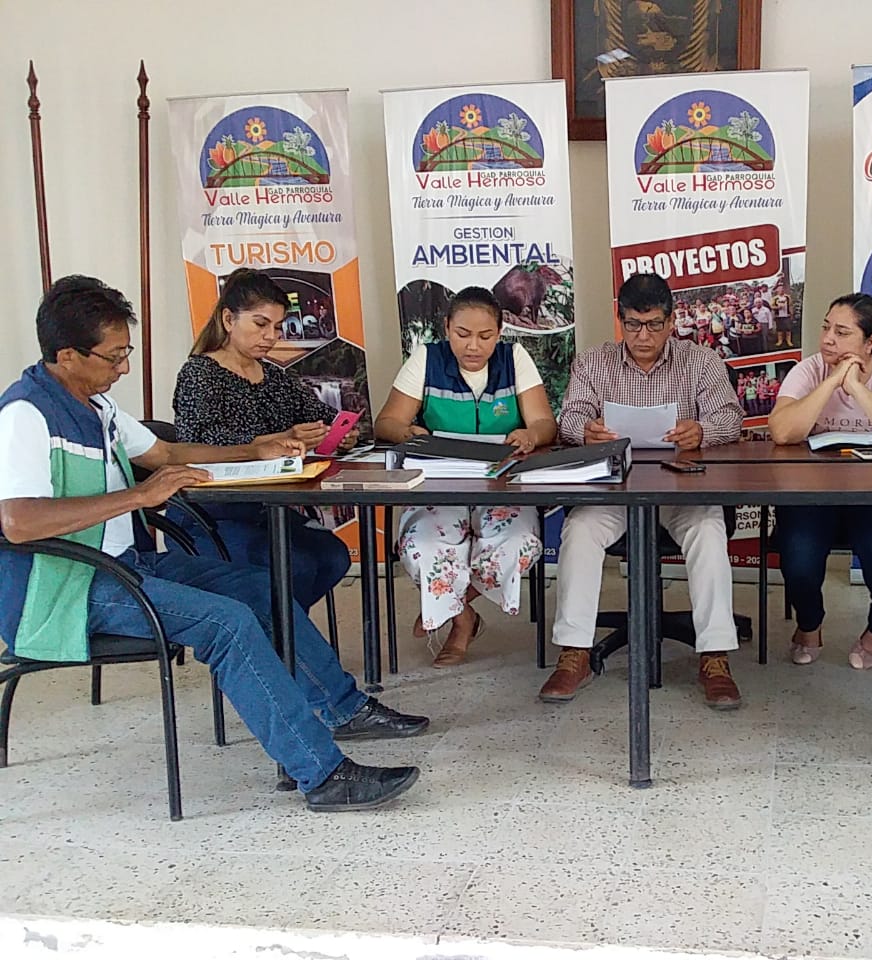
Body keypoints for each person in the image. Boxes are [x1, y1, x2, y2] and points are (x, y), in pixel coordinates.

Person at [0, 276, 430, 810]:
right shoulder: (26, 414)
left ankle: (343, 709)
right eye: (115, 356)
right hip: (63, 589)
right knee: (227, 623)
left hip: (122, 564)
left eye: (126, 353)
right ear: (67, 355)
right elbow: (18, 522)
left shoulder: (97, 405)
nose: (125, 368)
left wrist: (255, 449)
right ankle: (322, 776)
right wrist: (138, 497)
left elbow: (164, 453)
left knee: (262, 589)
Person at [543, 272, 745, 709]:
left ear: (671, 321)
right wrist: (586, 431)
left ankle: (714, 656)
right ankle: (575, 651)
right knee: (579, 529)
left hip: (681, 487)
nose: (643, 336)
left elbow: (731, 419)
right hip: (616, 488)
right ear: (620, 321)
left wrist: (702, 430)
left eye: (654, 325)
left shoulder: (700, 361)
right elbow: (570, 417)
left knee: (708, 529)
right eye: (633, 325)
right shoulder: (594, 362)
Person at [374, 286, 557, 667]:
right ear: (446, 328)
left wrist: (530, 435)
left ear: (500, 332)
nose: (473, 346)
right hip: (441, 485)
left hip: (502, 486)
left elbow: (544, 423)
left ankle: (449, 602)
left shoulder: (514, 358)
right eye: (462, 334)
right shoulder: (427, 359)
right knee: (423, 546)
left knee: (518, 545)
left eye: (485, 336)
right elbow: (387, 422)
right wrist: (407, 432)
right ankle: (462, 620)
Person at [172, 268, 355, 611]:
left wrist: (339, 433)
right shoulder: (199, 374)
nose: (271, 336)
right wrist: (281, 438)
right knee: (297, 566)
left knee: (334, 556)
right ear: (229, 319)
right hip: (214, 510)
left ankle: (278, 630)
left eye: (278, 327)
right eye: (260, 324)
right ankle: (277, 633)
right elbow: (198, 442)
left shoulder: (274, 376)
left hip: (267, 506)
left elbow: (322, 415)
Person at [769, 293, 872, 668]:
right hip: (814, 491)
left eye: (841, 333)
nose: (827, 339)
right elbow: (782, 431)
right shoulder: (809, 369)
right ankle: (809, 623)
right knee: (798, 554)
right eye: (826, 328)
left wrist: (856, 387)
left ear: (870, 342)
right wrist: (832, 381)